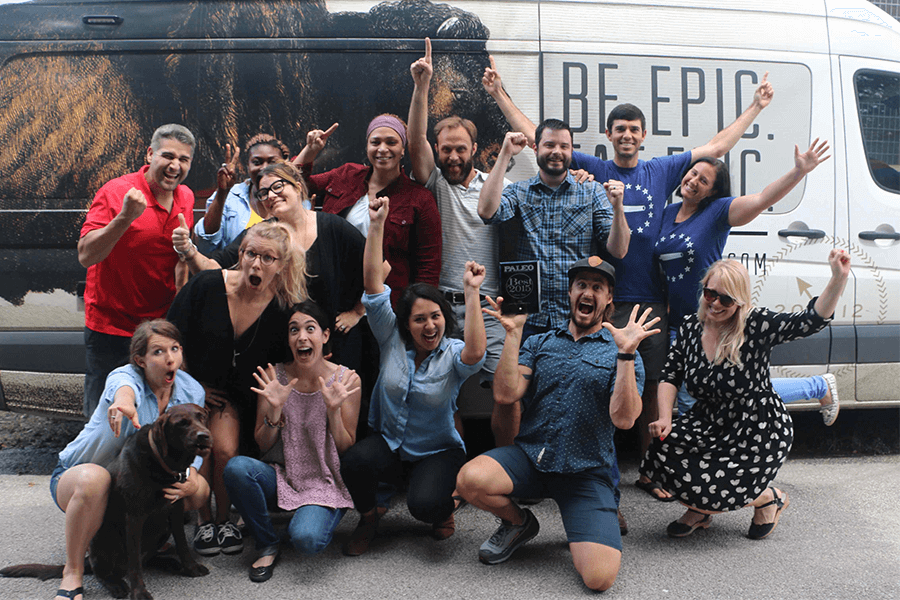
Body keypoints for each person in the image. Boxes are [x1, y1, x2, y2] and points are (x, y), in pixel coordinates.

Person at [482, 60, 774, 497]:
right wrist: (500, 96)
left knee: (653, 385)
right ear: (609, 135)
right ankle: (575, 471)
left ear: (642, 135)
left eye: (633, 129)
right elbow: (539, 138)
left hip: (648, 299)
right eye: (619, 128)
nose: (626, 135)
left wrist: (755, 108)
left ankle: (651, 469)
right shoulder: (591, 168)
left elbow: (715, 146)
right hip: (598, 299)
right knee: (590, 381)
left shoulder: (661, 170)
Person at [455, 256, 659, 592]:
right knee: (470, 480)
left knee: (599, 578)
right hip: (532, 459)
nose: (587, 292)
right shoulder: (540, 343)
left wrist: (624, 355)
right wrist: (513, 334)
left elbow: (624, 419)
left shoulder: (623, 353)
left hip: (585, 472)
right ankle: (519, 523)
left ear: (609, 299)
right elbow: (506, 394)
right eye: (581, 285)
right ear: (570, 292)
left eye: (597, 287)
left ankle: (582, 521)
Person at [640, 249, 851, 539]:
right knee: (664, 448)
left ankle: (768, 498)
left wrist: (838, 280)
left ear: (740, 302)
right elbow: (671, 375)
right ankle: (701, 510)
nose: (714, 303)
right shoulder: (691, 326)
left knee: (722, 482)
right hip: (711, 420)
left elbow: (810, 321)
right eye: (710, 293)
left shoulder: (755, 325)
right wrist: (664, 417)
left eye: (725, 299)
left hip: (758, 426)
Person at [338, 195, 486, 556]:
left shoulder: (451, 352)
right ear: (406, 323)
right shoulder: (390, 337)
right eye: (419, 318)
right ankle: (370, 516)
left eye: (435, 316)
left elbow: (476, 352)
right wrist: (376, 225)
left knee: (424, 506)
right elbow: (374, 285)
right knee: (354, 461)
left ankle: (445, 506)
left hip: (437, 451)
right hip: (389, 441)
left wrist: (472, 293)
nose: (429, 324)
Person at [656, 139, 839, 423]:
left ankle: (702, 454)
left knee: (704, 393)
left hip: (713, 318)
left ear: (712, 191)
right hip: (677, 322)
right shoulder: (667, 214)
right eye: (692, 173)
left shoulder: (717, 212)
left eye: (703, 180)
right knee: (716, 388)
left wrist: (798, 172)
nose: (693, 181)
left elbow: (763, 198)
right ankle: (816, 386)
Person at [477, 123, 629, 443]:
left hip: (573, 317)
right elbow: (486, 211)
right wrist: (505, 154)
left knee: (572, 395)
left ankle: (567, 464)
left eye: (563, 146)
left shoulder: (590, 191)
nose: (556, 152)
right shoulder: (519, 191)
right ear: (536, 149)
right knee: (514, 395)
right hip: (527, 317)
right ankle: (515, 464)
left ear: (572, 151)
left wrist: (617, 208)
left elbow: (619, 249)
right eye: (549, 145)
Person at [167, 220, 306, 557]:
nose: (256, 265)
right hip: (196, 388)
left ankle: (224, 518)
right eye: (250, 254)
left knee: (227, 452)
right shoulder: (206, 285)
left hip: (244, 397)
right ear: (240, 254)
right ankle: (204, 521)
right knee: (207, 446)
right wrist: (195, 386)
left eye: (267, 258)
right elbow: (169, 337)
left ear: (282, 265)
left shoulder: (282, 308)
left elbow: (289, 359)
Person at [49, 319, 208, 600]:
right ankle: (72, 571)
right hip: (79, 478)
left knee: (198, 490)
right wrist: (124, 403)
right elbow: (124, 389)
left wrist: (190, 477)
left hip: (131, 480)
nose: (170, 358)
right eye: (158, 352)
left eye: (175, 349)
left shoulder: (191, 390)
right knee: (95, 480)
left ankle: (150, 548)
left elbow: (188, 448)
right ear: (140, 360)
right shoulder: (124, 377)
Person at [406, 37, 509, 439]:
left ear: (474, 149)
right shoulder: (435, 185)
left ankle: (508, 465)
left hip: (489, 308)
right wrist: (422, 87)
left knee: (506, 389)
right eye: (445, 149)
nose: (452, 157)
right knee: (443, 395)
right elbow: (414, 142)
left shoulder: (496, 185)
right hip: (444, 307)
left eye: (460, 150)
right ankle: (452, 466)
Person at [173, 161, 366, 369]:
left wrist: (357, 312)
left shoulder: (333, 227)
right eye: (263, 193)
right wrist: (188, 249)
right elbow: (215, 271)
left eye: (277, 187)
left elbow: (379, 268)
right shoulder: (259, 236)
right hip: (283, 349)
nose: (270, 196)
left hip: (333, 345)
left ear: (298, 186)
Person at [224, 300, 361, 582]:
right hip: (283, 477)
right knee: (236, 468)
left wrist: (333, 409)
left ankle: (308, 517)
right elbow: (262, 445)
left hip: (325, 483)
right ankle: (266, 542)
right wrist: (274, 409)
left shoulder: (346, 380)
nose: (301, 337)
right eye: (294, 330)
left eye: (310, 329)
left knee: (307, 540)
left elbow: (347, 448)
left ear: (324, 336)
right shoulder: (275, 377)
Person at [78, 124, 196, 417]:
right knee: (105, 421)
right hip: (112, 328)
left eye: (184, 159)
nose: (175, 166)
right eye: (167, 156)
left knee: (153, 417)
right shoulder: (117, 192)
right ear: (150, 154)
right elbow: (86, 255)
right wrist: (125, 217)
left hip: (158, 333)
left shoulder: (186, 197)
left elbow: (178, 261)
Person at [295, 114, 442, 307]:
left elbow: (428, 265)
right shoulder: (346, 175)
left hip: (387, 306)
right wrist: (310, 151)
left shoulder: (419, 199)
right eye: (375, 142)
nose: (382, 149)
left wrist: (421, 311)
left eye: (391, 142)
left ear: (403, 149)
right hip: (331, 295)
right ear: (367, 146)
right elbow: (293, 184)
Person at [193, 134, 291, 254]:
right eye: (257, 162)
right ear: (247, 167)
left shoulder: (291, 199)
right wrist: (223, 192)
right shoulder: (230, 196)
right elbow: (205, 245)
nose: (264, 168)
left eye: (272, 162)